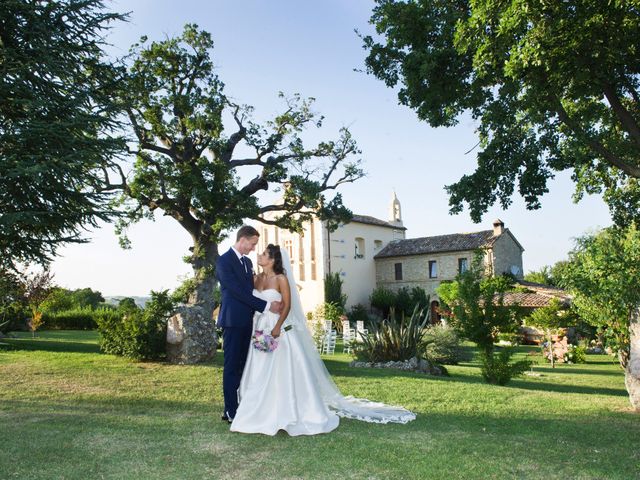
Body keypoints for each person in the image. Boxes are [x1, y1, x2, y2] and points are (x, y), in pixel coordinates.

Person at [230, 244, 416, 436]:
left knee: (280, 370)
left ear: (272, 260)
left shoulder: (281, 279)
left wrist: (277, 327)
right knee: (258, 368)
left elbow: (287, 306)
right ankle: (258, 410)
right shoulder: (255, 278)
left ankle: (287, 411)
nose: (259, 256)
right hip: (259, 328)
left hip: (278, 330)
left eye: (263, 254)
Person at [216, 226, 281, 423]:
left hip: (249, 322)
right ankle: (230, 411)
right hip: (233, 321)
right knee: (232, 365)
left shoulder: (247, 262)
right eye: (252, 244)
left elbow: (251, 290)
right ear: (243, 240)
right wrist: (267, 305)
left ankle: (242, 405)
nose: (253, 249)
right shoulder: (223, 261)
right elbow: (237, 292)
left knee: (244, 366)